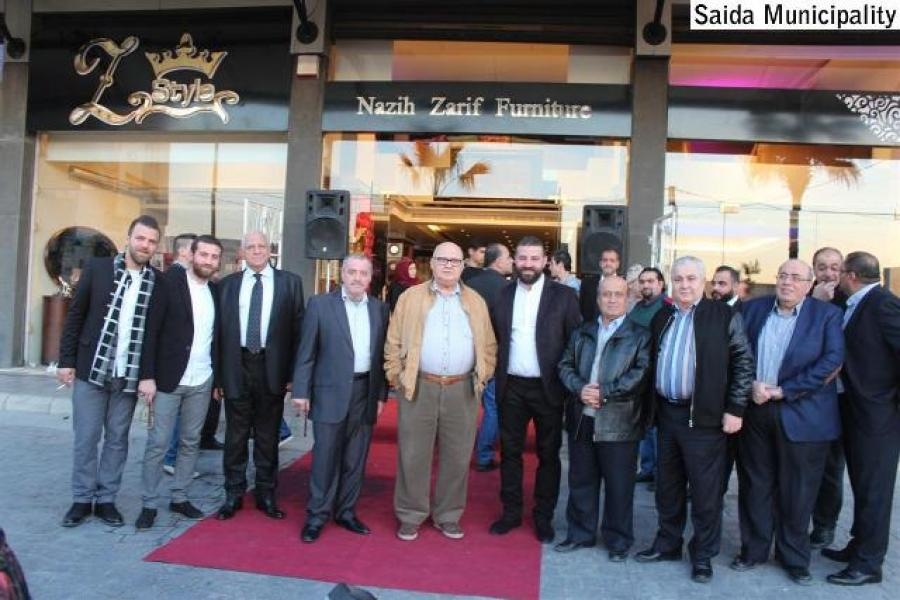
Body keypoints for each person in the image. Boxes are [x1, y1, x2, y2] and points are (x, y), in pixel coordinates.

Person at [634, 256, 753, 584]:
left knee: (705, 493)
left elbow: (743, 362)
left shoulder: (723, 315)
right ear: (671, 282)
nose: (684, 285)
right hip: (667, 415)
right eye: (679, 279)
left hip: (705, 419)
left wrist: (736, 408)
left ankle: (702, 555)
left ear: (703, 281)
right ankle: (668, 543)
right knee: (667, 487)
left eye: (691, 279)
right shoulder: (663, 316)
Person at [733, 259, 844, 585]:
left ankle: (793, 558)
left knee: (799, 491)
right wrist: (750, 385)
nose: (787, 282)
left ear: (809, 285)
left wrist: (785, 390)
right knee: (755, 485)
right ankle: (753, 550)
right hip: (756, 410)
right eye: (782, 275)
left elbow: (832, 361)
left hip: (803, 414)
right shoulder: (752, 309)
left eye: (796, 277)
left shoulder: (827, 315)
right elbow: (734, 352)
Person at [385, 242, 496, 541]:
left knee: (458, 457)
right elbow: (393, 341)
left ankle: (448, 515)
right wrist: (396, 376)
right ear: (432, 264)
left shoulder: (476, 302)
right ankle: (410, 514)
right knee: (412, 455)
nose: (448, 265)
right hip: (419, 387)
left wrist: (483, 375)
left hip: (462, 389)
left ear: (463, 266)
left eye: (454, 261)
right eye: (442, 259)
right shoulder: (410, 298)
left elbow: (488, 345)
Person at [57, 215, 164, 528]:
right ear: (128, 238)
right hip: (92, 369)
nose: (145, 245)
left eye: (152, 241)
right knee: (86, 437)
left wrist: (149, 375)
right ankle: (81, 499)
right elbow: (75, 316)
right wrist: (66, 361)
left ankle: (106, 500)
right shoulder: (98, 269)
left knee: (118, 439)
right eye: (140, 238)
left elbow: (153, 334)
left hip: (127, 375)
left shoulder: (157, 282)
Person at [489, 236, 582, 543]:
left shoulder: (565, 296)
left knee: (549, 455)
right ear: (515, 261)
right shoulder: (502, 295)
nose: (528, 264)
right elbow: (495, 338)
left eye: (534, 258)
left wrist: (570, 383)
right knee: (510, 453)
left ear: (545, 261)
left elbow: (574, 342)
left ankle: (543, 516)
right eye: (523, 258)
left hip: (549, 388)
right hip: (511, 387)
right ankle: (511, 513)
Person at [292, 254, 389, 543]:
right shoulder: (320, 305)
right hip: (328, 392)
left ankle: (346, 512)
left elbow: (381, 356)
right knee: (325, 457)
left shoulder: (380, 309)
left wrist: (380, 394)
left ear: (370, 278)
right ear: (342, 274)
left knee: (355, 459)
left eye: (363, 273)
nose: (357, 278)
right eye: (352, 272)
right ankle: (317, 515)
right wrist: (301, 391)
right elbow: (306, 351)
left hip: (364, 392)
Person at [556, 276, 651, 561]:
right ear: (598, 298)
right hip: (582, 418)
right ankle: (580, 533)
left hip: (619, 423)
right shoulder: (582, 331)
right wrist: (579, 388)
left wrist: (604, 392)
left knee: (619, 486)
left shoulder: (640, 335)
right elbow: (564, 365)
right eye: (606, 294)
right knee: (581, 481)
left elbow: (640, 374)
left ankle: (618, 541)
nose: (612, 299)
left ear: (628, 299)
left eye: (618, 294)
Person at [135, 235, 223, 529]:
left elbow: (217, 339)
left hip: (202, 379)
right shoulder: (168, 285)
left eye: (214, 257)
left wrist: (218, 379)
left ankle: (180, 496)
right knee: (158, 443)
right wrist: (147, 376)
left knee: (190, 441)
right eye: (204, 255)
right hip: (167, 379)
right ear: (191, 255)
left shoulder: (216, 291)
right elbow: (151, 331)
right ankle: (149, 503)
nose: (208, 261)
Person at [216, 231, 304, 521]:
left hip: (272, 367)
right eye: (250, 247)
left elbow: (298, 332)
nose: (256, 251)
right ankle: (233, 493)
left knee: (268, 436)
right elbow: (217, 335)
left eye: (261, 246)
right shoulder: (227, 285)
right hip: (236, 365)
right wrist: (219, 378)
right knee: (236, 435)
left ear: (270, 250)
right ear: (242, 252)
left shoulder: (290, 283)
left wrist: (294, 374)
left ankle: (266, 493)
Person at [824, 251, 900, 586]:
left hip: (877, 418)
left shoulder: (883, 304)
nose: (835, 277)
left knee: (874, 492)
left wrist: (887, 401)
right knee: (862, 486)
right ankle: (859, 546)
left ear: (852, 275)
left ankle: (868, 565)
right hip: (856, 413)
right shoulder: (854, 303)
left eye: (840, 271)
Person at [808, 246, 848, 550]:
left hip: (839, 397)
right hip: (804, 394)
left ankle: (824, 525)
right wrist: (815, 303)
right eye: (822, 267)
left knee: (831, 468)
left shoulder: (852, 301)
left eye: (835, 267)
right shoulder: (805, 298)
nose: (829, 273)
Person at [467, 243, 514, 471]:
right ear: (497, 261)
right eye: (508, 257)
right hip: (494, 355)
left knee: (464, 407)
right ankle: (484, 456)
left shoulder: (469, 284)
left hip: (466, 354)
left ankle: (457, 452)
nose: (512, 261)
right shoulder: (507, 289)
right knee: (493, 407)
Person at [628, 267, 669, 488]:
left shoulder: (667, 308)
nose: (645, 285)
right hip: (638, 376)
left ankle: (661, 474)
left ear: (660, 284)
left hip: (656, 375)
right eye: (642, 281)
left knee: (657, 427)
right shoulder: (637, 308)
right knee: (644, 423)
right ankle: (647, 468)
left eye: (651, 281)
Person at [710, 265, 743, 496]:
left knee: (727, 456)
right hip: (710, 399)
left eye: (722, 284)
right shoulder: (708, 310)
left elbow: (743, 361)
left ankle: (716, 495)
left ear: (735, 286)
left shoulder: (744, 313)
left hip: (734, 401)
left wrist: (736, 406)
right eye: (714, 283)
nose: (716, 288)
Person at [579, 247, 621, 322]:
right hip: (590, 327)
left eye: (612, 260)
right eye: (605, 260)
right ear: (600, 263)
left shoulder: (624, 284)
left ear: (617, 264)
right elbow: (581, 309)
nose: (608, 264)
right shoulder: (587, 284)